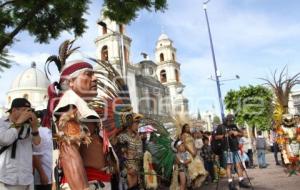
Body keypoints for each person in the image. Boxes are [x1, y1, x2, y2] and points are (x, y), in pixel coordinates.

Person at [46, 59, 118, 190]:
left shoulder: (79, 106)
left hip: (97, 182)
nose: (95, 78)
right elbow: (69, 154)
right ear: (71, 82)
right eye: (88, 74)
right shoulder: (70, 105)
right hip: (85, 184)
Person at [0, 98, 41, 190]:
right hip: (5, 179)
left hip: (26, 179)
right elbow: (5, 140)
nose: (28, 114)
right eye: (24, 111)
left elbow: (38, 146)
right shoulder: (2, 123)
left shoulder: (28, 126)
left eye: (29, 111)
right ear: (14, 110)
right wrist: (19, 122)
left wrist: (34, 128)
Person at [215, 114, 250, 190]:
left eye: (232, 120)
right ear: (226, 120)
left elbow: (242, 134)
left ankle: (241, 181)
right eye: (230, 120)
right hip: (227, 149)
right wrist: (225, 135)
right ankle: (230, 183)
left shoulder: (234, 126)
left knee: (239, 165)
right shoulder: (221, 126)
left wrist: (237, 133)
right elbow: (216, 137)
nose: (231, 122)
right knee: (229, 166)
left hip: (235, 148)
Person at [116, 113, 144, 190]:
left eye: (138, 123)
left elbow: (140, 154)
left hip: (137, 173)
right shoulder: (122, 137)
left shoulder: (139, 138)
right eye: (136, 123)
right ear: (129, 123)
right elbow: (119, 156)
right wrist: (128, 168)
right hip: (127, 173)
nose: (138, 126)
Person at [180, 124, 207, 188]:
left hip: (194, 153)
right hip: (188, 153)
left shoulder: (190, 135)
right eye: (186, 127)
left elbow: (194, 143)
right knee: (192, 171)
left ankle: (195, 185)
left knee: (199, 170)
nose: (188, 128)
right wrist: (191, 152)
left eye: (188, 127)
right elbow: (185, 145)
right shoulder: (183, 135)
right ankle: (192, 185)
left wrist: (195, 151)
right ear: (183, 128)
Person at [33, 126, 53, 190]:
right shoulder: (41, 130)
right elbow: (34, 154)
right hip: (44, 179)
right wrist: (42, 174)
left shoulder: (53, 130)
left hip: (53, 177)